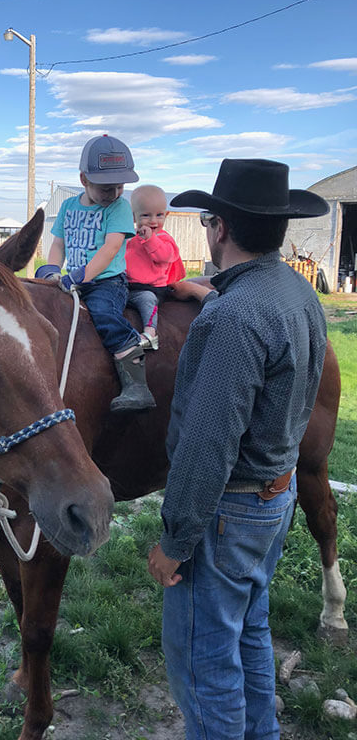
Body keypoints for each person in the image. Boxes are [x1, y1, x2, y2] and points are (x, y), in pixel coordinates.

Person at [146, 158, 329, 740]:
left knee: (203, 667)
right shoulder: (297, 292)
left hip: (229, 512)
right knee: (249, 631)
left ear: (219, 228)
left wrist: (176, 542)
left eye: (206, 220)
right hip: (276, 496)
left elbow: (207, 446)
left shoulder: (233, 318)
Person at [36, 134, 156, 412]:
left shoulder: (120, 208)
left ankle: (137, 385)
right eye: (104, 187)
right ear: (83, 180)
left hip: (106, 281)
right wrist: (53, 269)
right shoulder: (68, 207)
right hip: (75, 279)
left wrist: (83, 274)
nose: (112, 193)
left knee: (105, 316)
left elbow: (111, 248)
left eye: (118, 187)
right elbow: (58, 243)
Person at [125, 185, 186, 350]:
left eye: (159, 215)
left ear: (166, 215)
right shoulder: (130, 239)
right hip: (128, 285)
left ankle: (150, 333)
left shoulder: (164, 239)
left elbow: (164, 256)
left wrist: (150, 239)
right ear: (134, 217)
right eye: (146, 215)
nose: (153, 221)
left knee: (148, 302)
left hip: (152, 288)